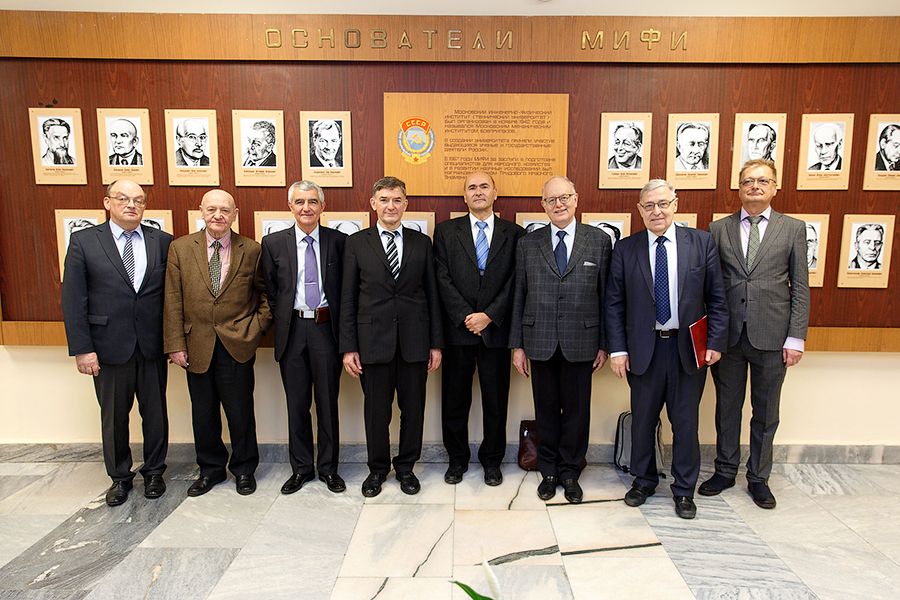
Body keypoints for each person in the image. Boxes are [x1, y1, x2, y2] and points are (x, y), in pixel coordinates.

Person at [605, 179, 728, 519]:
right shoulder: (625, 249)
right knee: (643, 421)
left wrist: (715, 342)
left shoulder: (701, 243)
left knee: (686, 423)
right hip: (643, 351)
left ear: (675, 204)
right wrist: (618, 350)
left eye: (662, 203)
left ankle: (684, 490)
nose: (656, 211)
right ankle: (643, 481)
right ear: (640, 210)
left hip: (688, 350)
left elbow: (717, 298)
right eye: (649, 205)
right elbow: (614, 304)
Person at [702, 159, 810, 509]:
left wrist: (795, 338)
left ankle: (759, 477)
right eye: (748, 181)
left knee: (766, 411)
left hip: (773, 337)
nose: (755, 186)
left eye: (763, 181)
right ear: (739, 188)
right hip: (729, 337)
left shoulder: (792, 228)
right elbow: (710, 287)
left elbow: (800, 287)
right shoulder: (718, 229)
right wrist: (711, 336)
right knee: (727, 408)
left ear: (775, 187)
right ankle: (724, 470)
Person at [61, 179, 172, 507]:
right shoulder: (84, 241)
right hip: (107, 347)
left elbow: (171, 296)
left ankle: (154, 472)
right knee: (114, 417)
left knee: (156, 414)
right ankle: (120, 478)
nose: (131, 205)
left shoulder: (162, 241)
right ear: (107, 202)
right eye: (123, 198)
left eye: (138, 199)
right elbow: (73, 299)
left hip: (152, 345)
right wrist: (83, 349)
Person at [509, 175, 611, 504]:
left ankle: (570, 472)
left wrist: (604, 344)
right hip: (539, 341)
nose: (559, 204)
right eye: (551, 200)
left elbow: (606, 297)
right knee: (547, 409)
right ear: (543, 205)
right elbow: (519, 295)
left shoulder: (599, 241)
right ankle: (549, 471)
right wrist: (518, 346)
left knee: (577, 412)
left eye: (564, 197)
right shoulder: (528, 243)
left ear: (576, 199)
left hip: (582, 341)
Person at [164, 189, 272, 497]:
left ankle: (244, 469)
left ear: (235, 214)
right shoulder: (180, 248)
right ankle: (210, 470)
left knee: (241, 412)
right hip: (195, 345)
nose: (218, 215)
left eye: (225, 210)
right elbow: (172, 299)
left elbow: (268, 295)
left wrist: (255, 328)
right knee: (204, 413)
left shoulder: (252, 250)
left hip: (237, 344)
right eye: (211, 209)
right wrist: (175, 344)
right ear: (201, 211)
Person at [340, 176, 443, 497]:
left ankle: (406, 467)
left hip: (415, 342)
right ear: (373, 203)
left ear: (405, 204)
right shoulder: (356, 243)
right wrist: (348, 348)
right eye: (384, 200)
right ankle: (377, 469)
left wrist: (435, 344)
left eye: (397, 200)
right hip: (372, 343)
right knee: (377, 412)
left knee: (413, 410)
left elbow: (432, 296)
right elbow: (347, 299)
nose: (391, 206)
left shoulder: (421, 243)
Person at [433, 172, 525, 487]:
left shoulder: (515, 234)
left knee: (496, 403)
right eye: (472, 187)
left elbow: (516, 280)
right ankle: (457, 460)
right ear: (464, 196)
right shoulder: (446, 231)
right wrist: (465, 316)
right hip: (458, 332)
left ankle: (492, 461)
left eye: (484, 186)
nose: (478, 191)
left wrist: (489, 315)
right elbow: (441, 278)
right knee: (454, 401)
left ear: (495, 193)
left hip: (495, 332)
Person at [261, 181, 347, 494]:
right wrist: (284, 317)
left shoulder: (339, 241)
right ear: (290, 206)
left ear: (322, 206)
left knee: (327, 403)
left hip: (326, 330)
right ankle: (301, 469)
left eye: (312, 202)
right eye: (300, 202)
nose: (306, 208)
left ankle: (328, 469)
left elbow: (346, 290)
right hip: (292, 331)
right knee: (296, 404)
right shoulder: (273, 243)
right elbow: (269, 289)